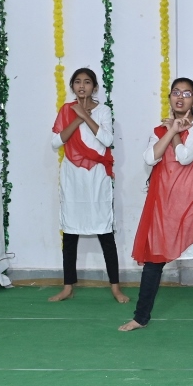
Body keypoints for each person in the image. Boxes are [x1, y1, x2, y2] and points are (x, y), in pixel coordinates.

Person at [119, 78, 193, 332]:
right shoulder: (160, 130)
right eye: (176, 92)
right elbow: (150, 158)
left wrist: (173, 132)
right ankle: (140, 318)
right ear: (170, 97)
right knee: (153, 266)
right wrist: (172, 130)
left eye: (187, 93)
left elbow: (184, 157)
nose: (180, 97)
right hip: (164, 209)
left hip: (192, 207)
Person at [49, 68, 127, 303]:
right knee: (70, 232)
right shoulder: (66, 110)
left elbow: (107, 140)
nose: (82, 86)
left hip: (97, 177)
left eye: (87, 82)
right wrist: (76, 118)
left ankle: (115, 288)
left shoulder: (104, 110)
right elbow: (56, 142)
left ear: (94, 87)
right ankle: (67, 287)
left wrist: (85, 116)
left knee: (104, 231)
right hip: (73, 177)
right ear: (72, 86)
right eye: (77, 82)